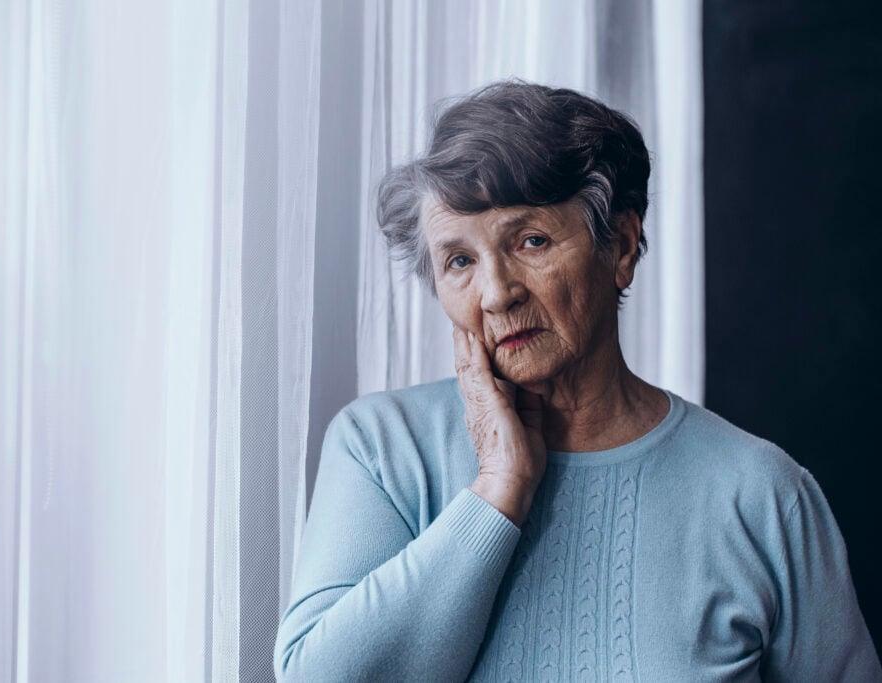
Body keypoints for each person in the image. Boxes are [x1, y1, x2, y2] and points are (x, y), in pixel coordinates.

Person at [274, 81, 881, 681]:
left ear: (619, 245)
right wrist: (498, 490)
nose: (496, 293)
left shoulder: (763, 495)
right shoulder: (382, 448)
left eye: (531, 240)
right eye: (459, 261)